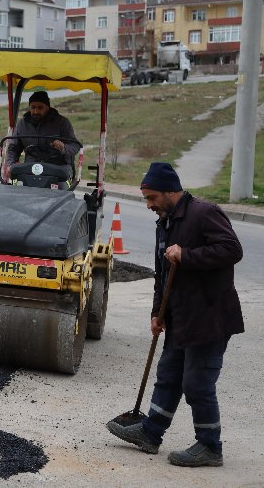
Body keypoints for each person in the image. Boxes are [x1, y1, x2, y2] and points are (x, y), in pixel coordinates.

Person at [106, 162, 244, 467]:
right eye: (146, 199)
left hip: (210, 317)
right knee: (168, 376)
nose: (149, 205)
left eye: (152, 197)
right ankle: (151, 433)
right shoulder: (165, 223)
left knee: (197, 383)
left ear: (171, 191)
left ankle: (210, 447)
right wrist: (158, 313)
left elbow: (232, 250)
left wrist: (188, 255)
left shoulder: (203, 213)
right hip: (180, 316)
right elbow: (162, 273)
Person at [5, 90, 81, 181]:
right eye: (33, 107)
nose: (36, 111)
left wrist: (63, 148)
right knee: (17, 184)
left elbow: (75, 146)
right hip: (31, 167)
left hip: (57, 167)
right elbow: (13, 148)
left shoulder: (62, 123)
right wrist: (11, 164)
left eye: (40, 108)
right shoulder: (22, 124)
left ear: (47, 108)